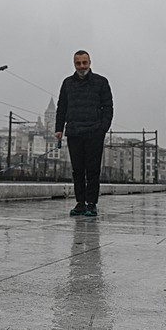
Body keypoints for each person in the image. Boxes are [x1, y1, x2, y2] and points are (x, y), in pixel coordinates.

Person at [55, 50, 113, 217]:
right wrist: (59, 128)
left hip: (94, 132)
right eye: (78, 63)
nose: (81, 66)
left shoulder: (101, 83)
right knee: (77, 169)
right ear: (74, 64)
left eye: (84, 63)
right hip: (74, 132)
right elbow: (62, 108)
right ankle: (80, 203)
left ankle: (92, 203)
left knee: (93, 170)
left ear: (89, 62)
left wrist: (102, 128)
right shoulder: (67, 83)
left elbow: (108, 107)